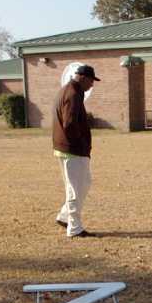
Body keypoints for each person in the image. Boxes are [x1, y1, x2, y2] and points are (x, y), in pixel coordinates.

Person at [52, 64, 100, 238]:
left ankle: (65, 216)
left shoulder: (69, 90)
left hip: (68, 148)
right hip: (72, 149)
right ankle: (74, 228)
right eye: (91, 81)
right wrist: (81, 143)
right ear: (82, 77)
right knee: (75, 188)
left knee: (84, 183)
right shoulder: (73, 94)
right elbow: (70, 123)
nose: (92, 85)